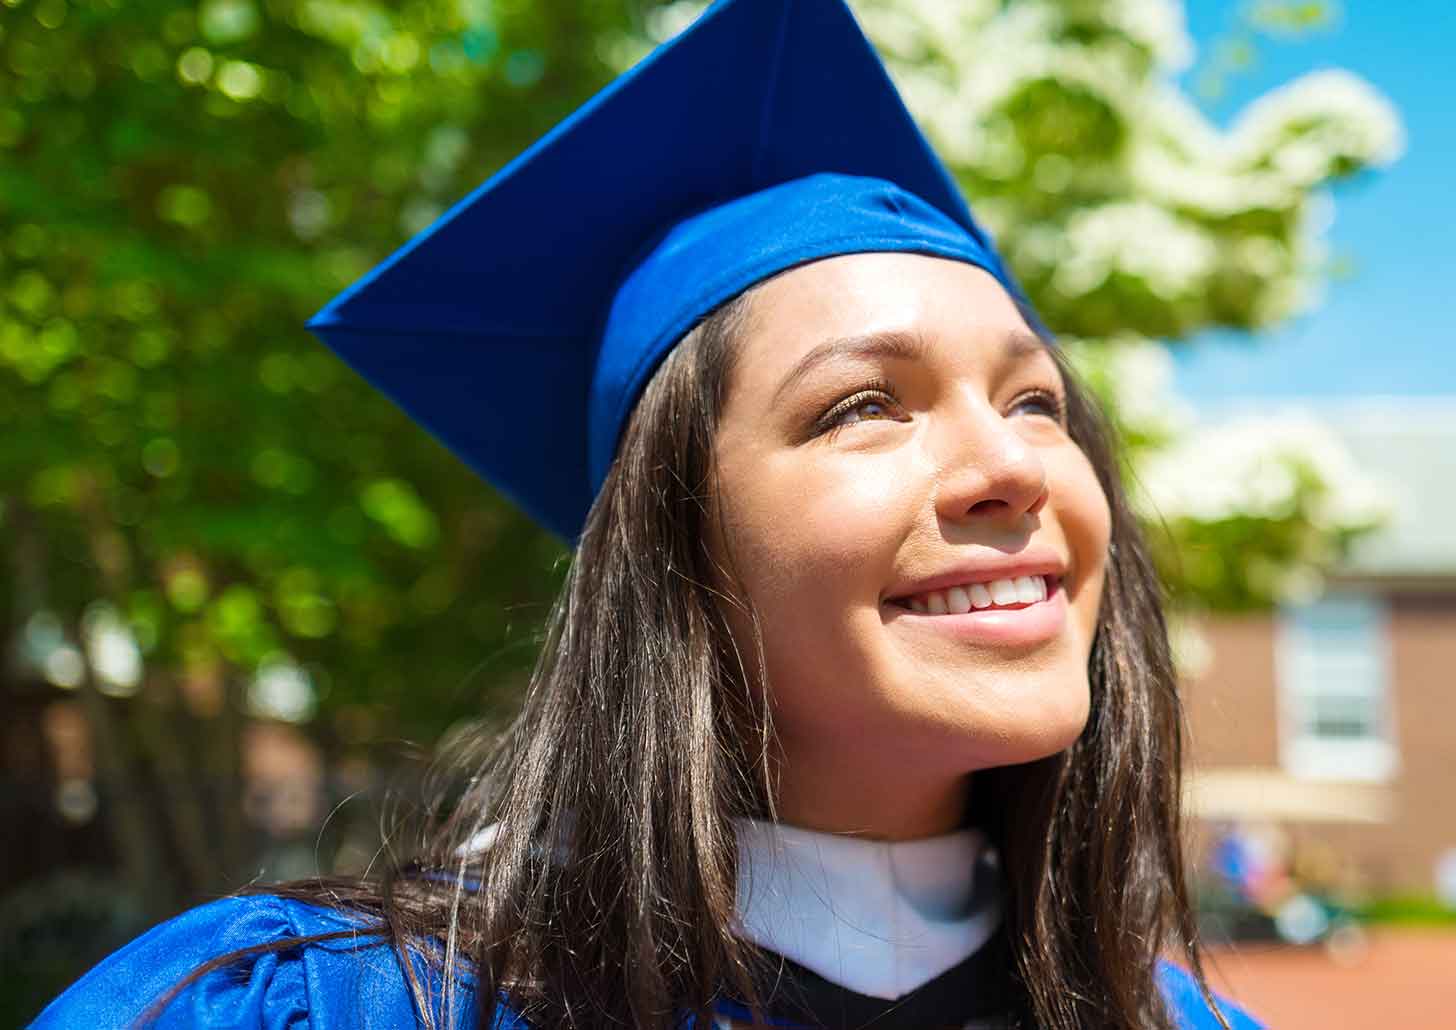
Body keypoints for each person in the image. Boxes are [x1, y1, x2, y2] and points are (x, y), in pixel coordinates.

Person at [33, 0, 1261, 1026]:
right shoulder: (329, 1005)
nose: (1013, 465)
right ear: (670, 541)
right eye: (864, 407)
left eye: (1037, 400)